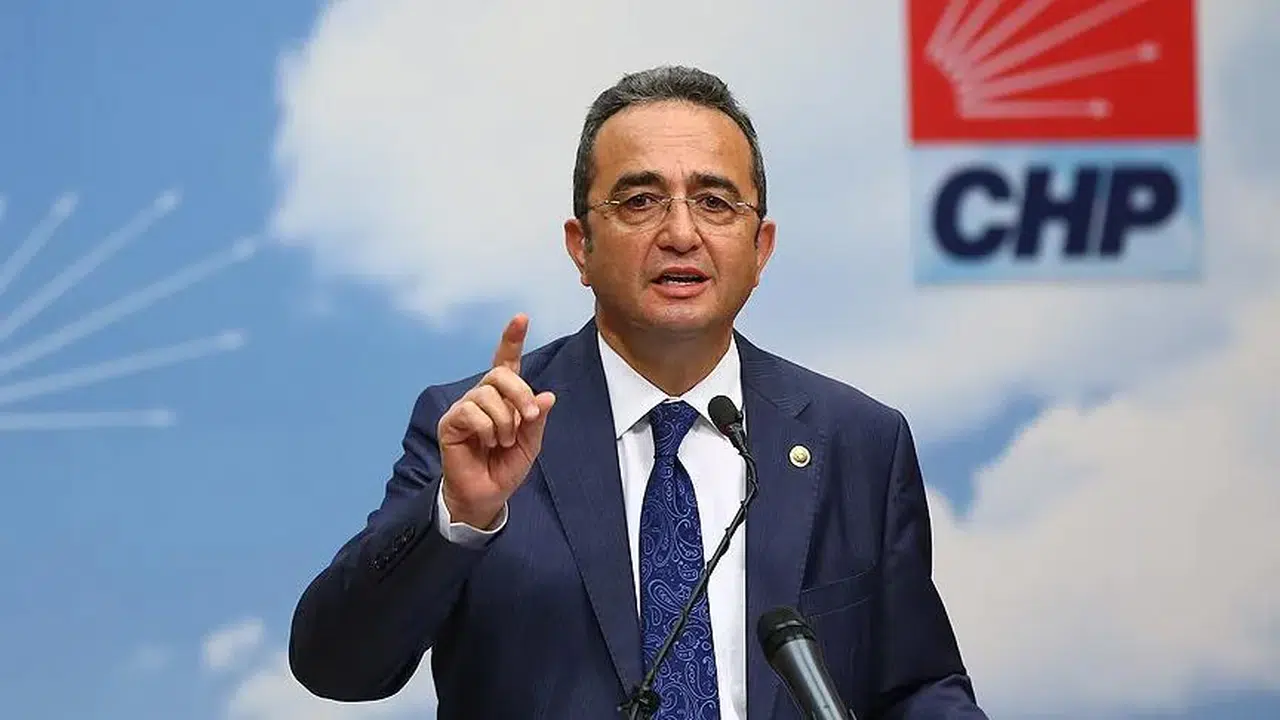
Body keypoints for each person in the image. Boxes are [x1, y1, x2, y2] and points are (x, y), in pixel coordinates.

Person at [288, 65, 986, 719]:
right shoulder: (478, 429)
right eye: (640, 201)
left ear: (760, 248)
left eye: (714, 203)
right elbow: (337, 667)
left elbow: (916, 687)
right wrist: (460, 515)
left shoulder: (855, 440)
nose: (680, 233)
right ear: (581, 246)